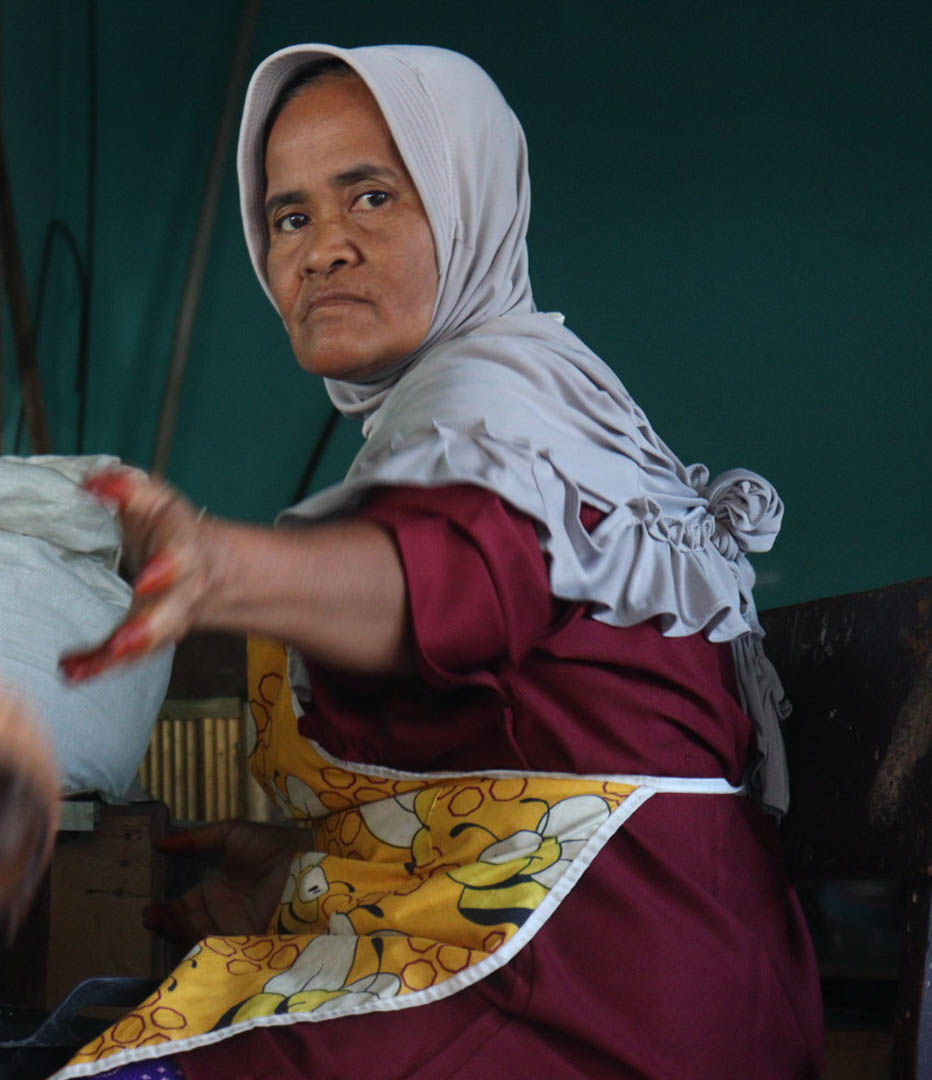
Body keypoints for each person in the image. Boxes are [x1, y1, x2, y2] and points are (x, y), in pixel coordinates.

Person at [51, 43, 823, 1080]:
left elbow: (459, 574)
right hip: (659, 964)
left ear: (470, 205)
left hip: (595, 993)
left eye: (371, 196)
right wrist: (319, 872)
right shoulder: (506, 402)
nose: (322, 248)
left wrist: (223, 570)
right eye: (290, 216)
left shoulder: (493, 416)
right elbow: (530, 751)